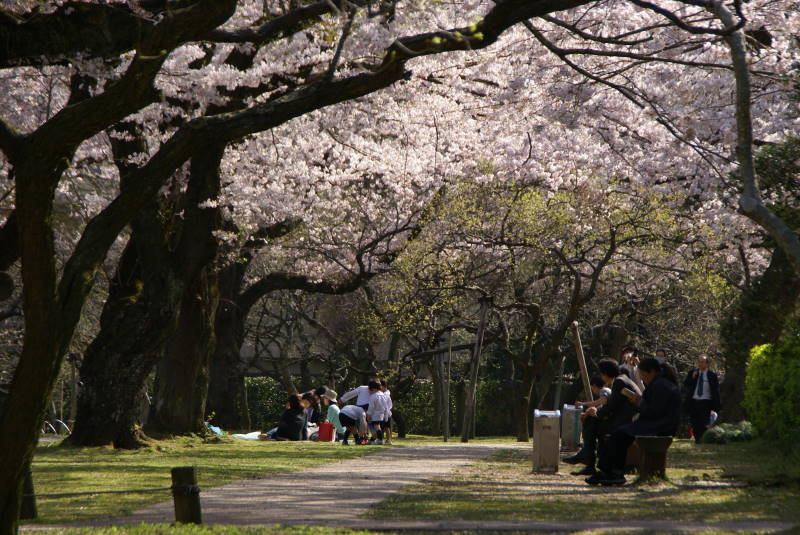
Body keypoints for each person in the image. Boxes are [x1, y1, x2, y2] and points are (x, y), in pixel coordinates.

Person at [588, 358, 681, 485]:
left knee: (618, 435)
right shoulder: (662, 383)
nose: (642, 378)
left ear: (651, 372)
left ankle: (612, 472)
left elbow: (652, 412)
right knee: (619, 434)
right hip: (660, 423)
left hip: (659, 425)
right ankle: (611, 472)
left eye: (643, 374)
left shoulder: (660, 385)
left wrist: (638, 402)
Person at [563, 374, 619, 475]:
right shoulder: (607, 390)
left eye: (592, 388)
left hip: (608, 423)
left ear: (594, 385)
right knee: (588, 422)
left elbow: (601, 402)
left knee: (589, 424)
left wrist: (584, 405)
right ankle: (585, 455)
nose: (593, 391)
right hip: (607, 421)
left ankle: (585, 456)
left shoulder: (604, 391)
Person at [683, 355, 721, 443]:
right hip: (694, 401)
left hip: (706, 401)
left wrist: (716, 405)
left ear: (707, 364)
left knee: (704, 421)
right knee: (694, 421)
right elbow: (686, 385)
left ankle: (702, 438)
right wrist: (692, 378)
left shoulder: (711, 375)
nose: (700, 364)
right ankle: (697, 438)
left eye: (702, 362)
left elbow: (715, 390)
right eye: (699, 362)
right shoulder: (693, 373)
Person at [380, 379, 394, 445]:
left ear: (383, 386)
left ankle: (388, 440)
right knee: (385, 427)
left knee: (386, 427)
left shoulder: (386, 394)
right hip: (385, 412)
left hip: (386, 413)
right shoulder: (385, 393)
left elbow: (387, 405)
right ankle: (387, 439)